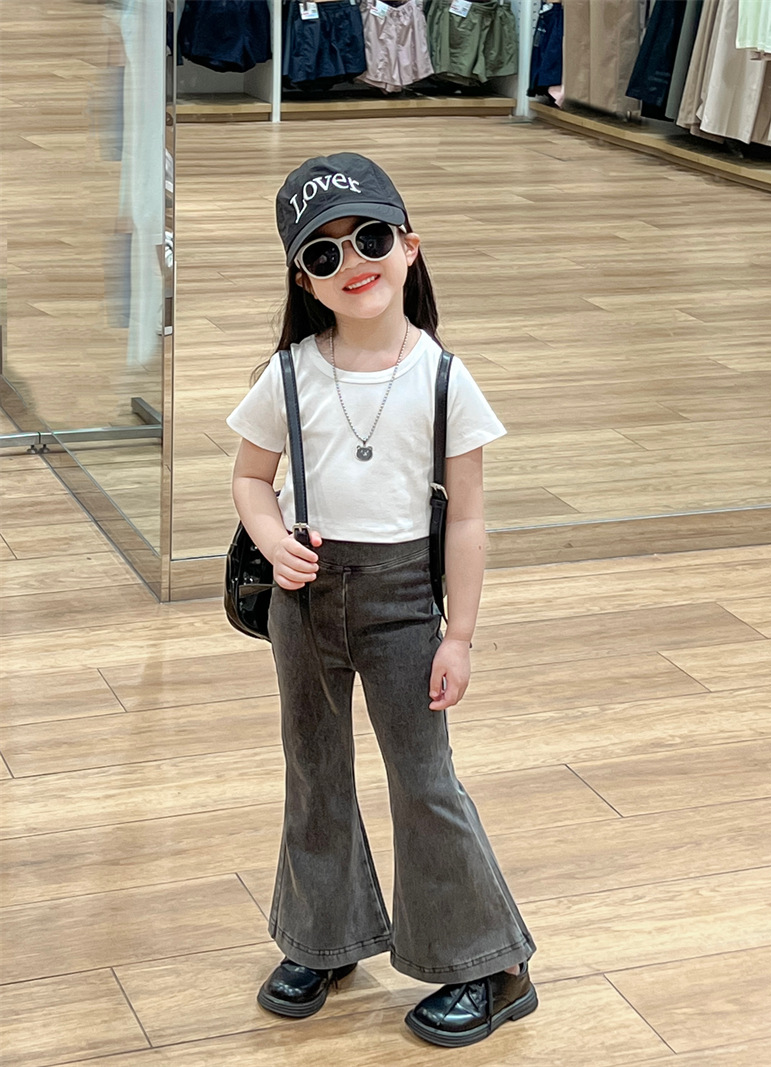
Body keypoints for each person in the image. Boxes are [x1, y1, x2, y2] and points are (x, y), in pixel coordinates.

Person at [227, 152, 537, 1048]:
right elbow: (249, 477)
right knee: (313, 768)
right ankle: (323, 940)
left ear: (409, 246)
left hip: (405, 601)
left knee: (423, 777)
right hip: (303, 600)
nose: (352, 263)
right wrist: (273, 537)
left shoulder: (444, 378)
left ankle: (490, 965)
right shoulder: (289, 373)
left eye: (368, 237)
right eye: (323, 254)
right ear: (304, 280)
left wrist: (459, 634)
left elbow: (467, 519)